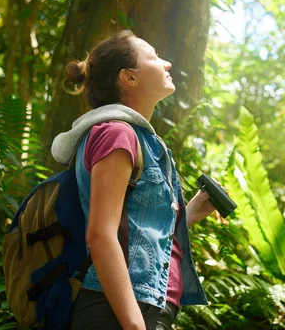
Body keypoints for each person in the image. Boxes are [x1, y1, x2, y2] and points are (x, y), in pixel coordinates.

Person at [50, 30, 214, 329]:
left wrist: (188, 214)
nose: (166, 64)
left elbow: (137, 229)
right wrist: (135, 325)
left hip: (144, 307)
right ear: (129, 78)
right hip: (115, 312)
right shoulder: (117, 134)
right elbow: (100, 235)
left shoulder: (143, 140)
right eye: (153, 57)